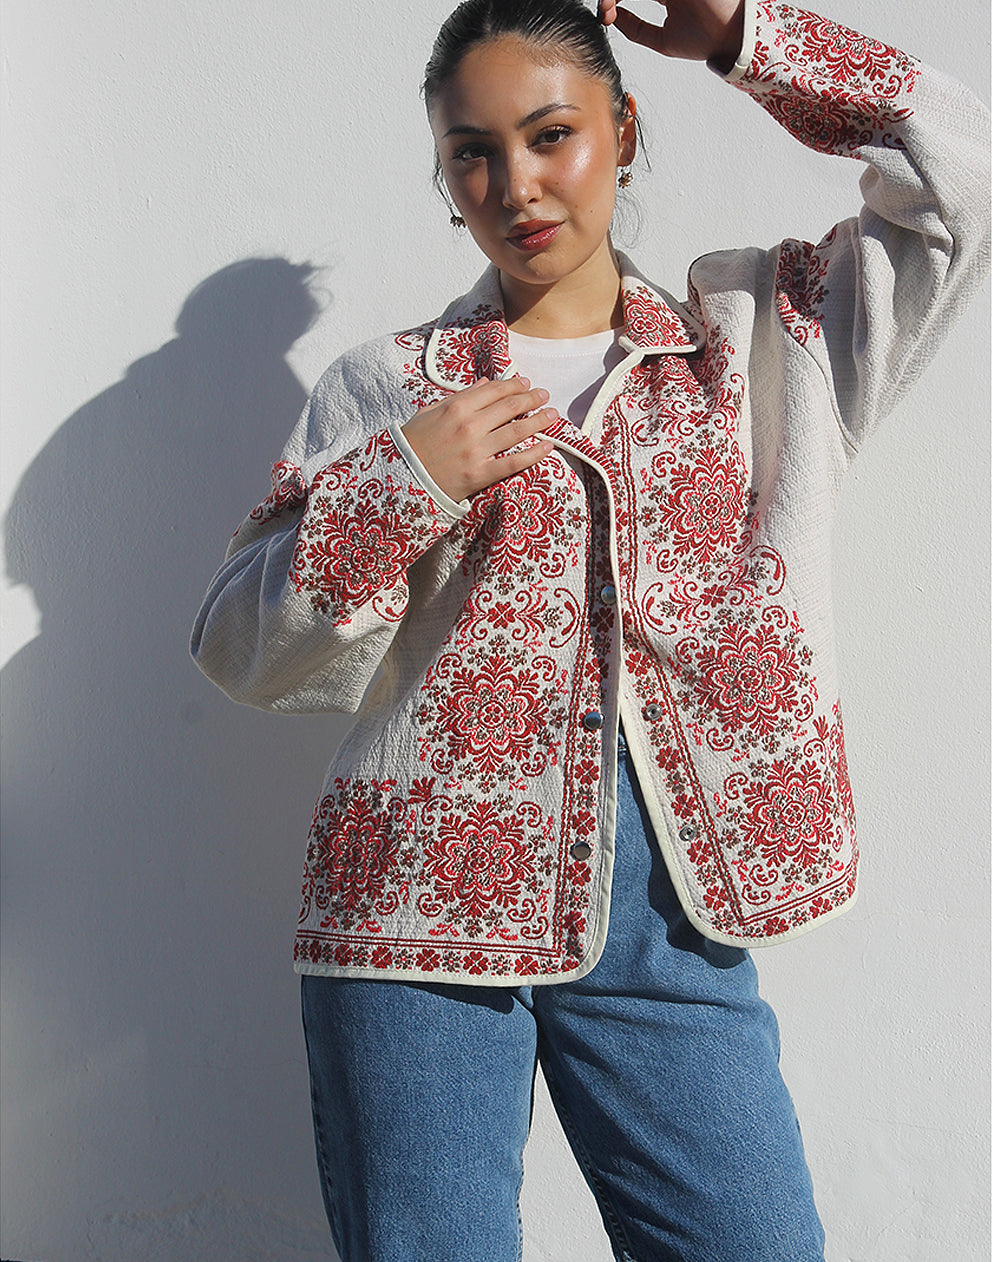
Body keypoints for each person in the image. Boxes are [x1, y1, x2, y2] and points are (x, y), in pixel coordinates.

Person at [191, 0, 989, 1257]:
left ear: (622, 127)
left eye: (551, 133)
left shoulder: (759, 339)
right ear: (444, 177)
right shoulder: (390, 385)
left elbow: (967, 176)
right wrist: (406, 480)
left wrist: (745, 36)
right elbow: (239, 646)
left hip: (677, 912)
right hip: (412, 914)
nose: (515, 182)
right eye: (472, 152)